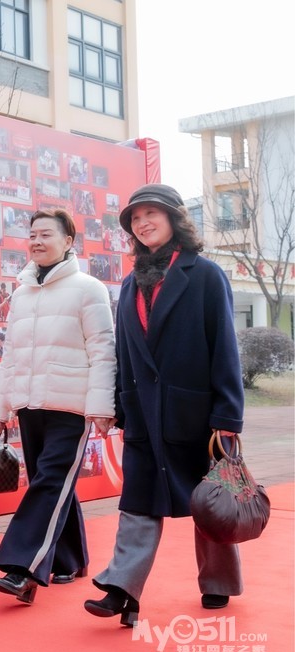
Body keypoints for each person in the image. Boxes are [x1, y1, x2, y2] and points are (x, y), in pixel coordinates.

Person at [85, 184, 245, 624]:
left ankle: (218, 582)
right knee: (137, 500)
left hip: (198, 415)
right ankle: (122, 588)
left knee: (210, 502)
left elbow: (225, 347)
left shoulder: (205, 275)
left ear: (174, 217)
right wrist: (118, 406)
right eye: (135, 219)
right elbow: (124, 351)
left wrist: (228, 414)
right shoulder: (129, 283)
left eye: (151, 214)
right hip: (143, 412)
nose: (142, 223)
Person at [0, 209, 116, 605]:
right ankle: (70, 559)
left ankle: (22, 568)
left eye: (46, 234)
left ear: (68, 241)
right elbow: (11, 355)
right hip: (29, 405)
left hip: (70, 406)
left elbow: (103, 351)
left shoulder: (88, 288)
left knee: (50, 481)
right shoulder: (22, 293)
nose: (37, 242)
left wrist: (101, 407)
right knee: (53, 482)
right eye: (32, 235)